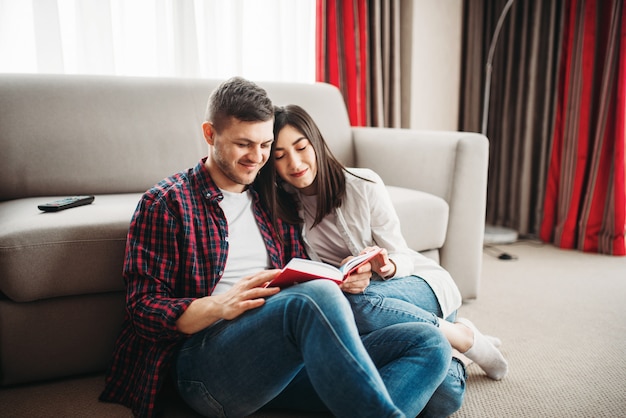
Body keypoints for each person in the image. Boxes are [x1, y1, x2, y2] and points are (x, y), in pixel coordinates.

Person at [99, 77, 453, 418]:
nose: (257, 157)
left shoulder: (273, 201)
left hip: (281, 360)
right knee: (314, 298)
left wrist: (346, 276)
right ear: (210, 133)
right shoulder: (167, 203)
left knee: (429, 344)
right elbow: (142, 309)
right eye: (243, 144)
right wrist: (220, 305)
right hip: (204, 367)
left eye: (265, 145)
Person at [255, 104, 509, 408]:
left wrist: (385, 267)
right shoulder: (282, 205)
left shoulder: (362, 184)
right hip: (375, 313)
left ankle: (464, 337)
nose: (294, 163)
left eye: (301, 147)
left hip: (415, 285)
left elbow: (402, 254)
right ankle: (451, 352)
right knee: (444, 397)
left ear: (316, 142)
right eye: (280, 156)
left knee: (356, 303)